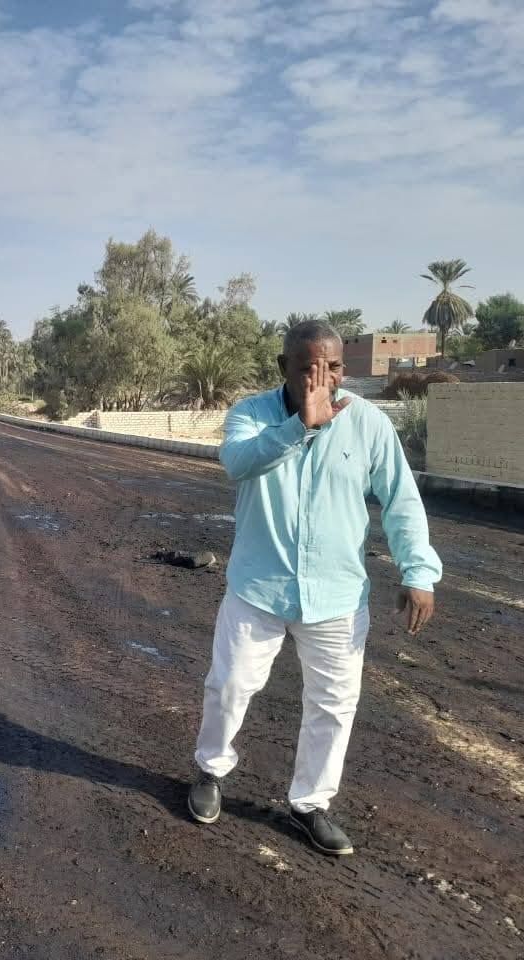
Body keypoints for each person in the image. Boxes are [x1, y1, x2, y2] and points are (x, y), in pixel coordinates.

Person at [187, 320, 442, 855]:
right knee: (229, 686)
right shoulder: (251, 415)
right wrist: (299, 426)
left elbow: (401, 499)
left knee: (333, 704)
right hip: (259, 589)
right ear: (284, 367)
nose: (322, 378)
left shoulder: (368, 422)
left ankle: (310, 803)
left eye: (333, 367)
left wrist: (417, 572)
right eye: (308, 368)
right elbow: (237, 463)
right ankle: (210, 771)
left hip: (336, 597)